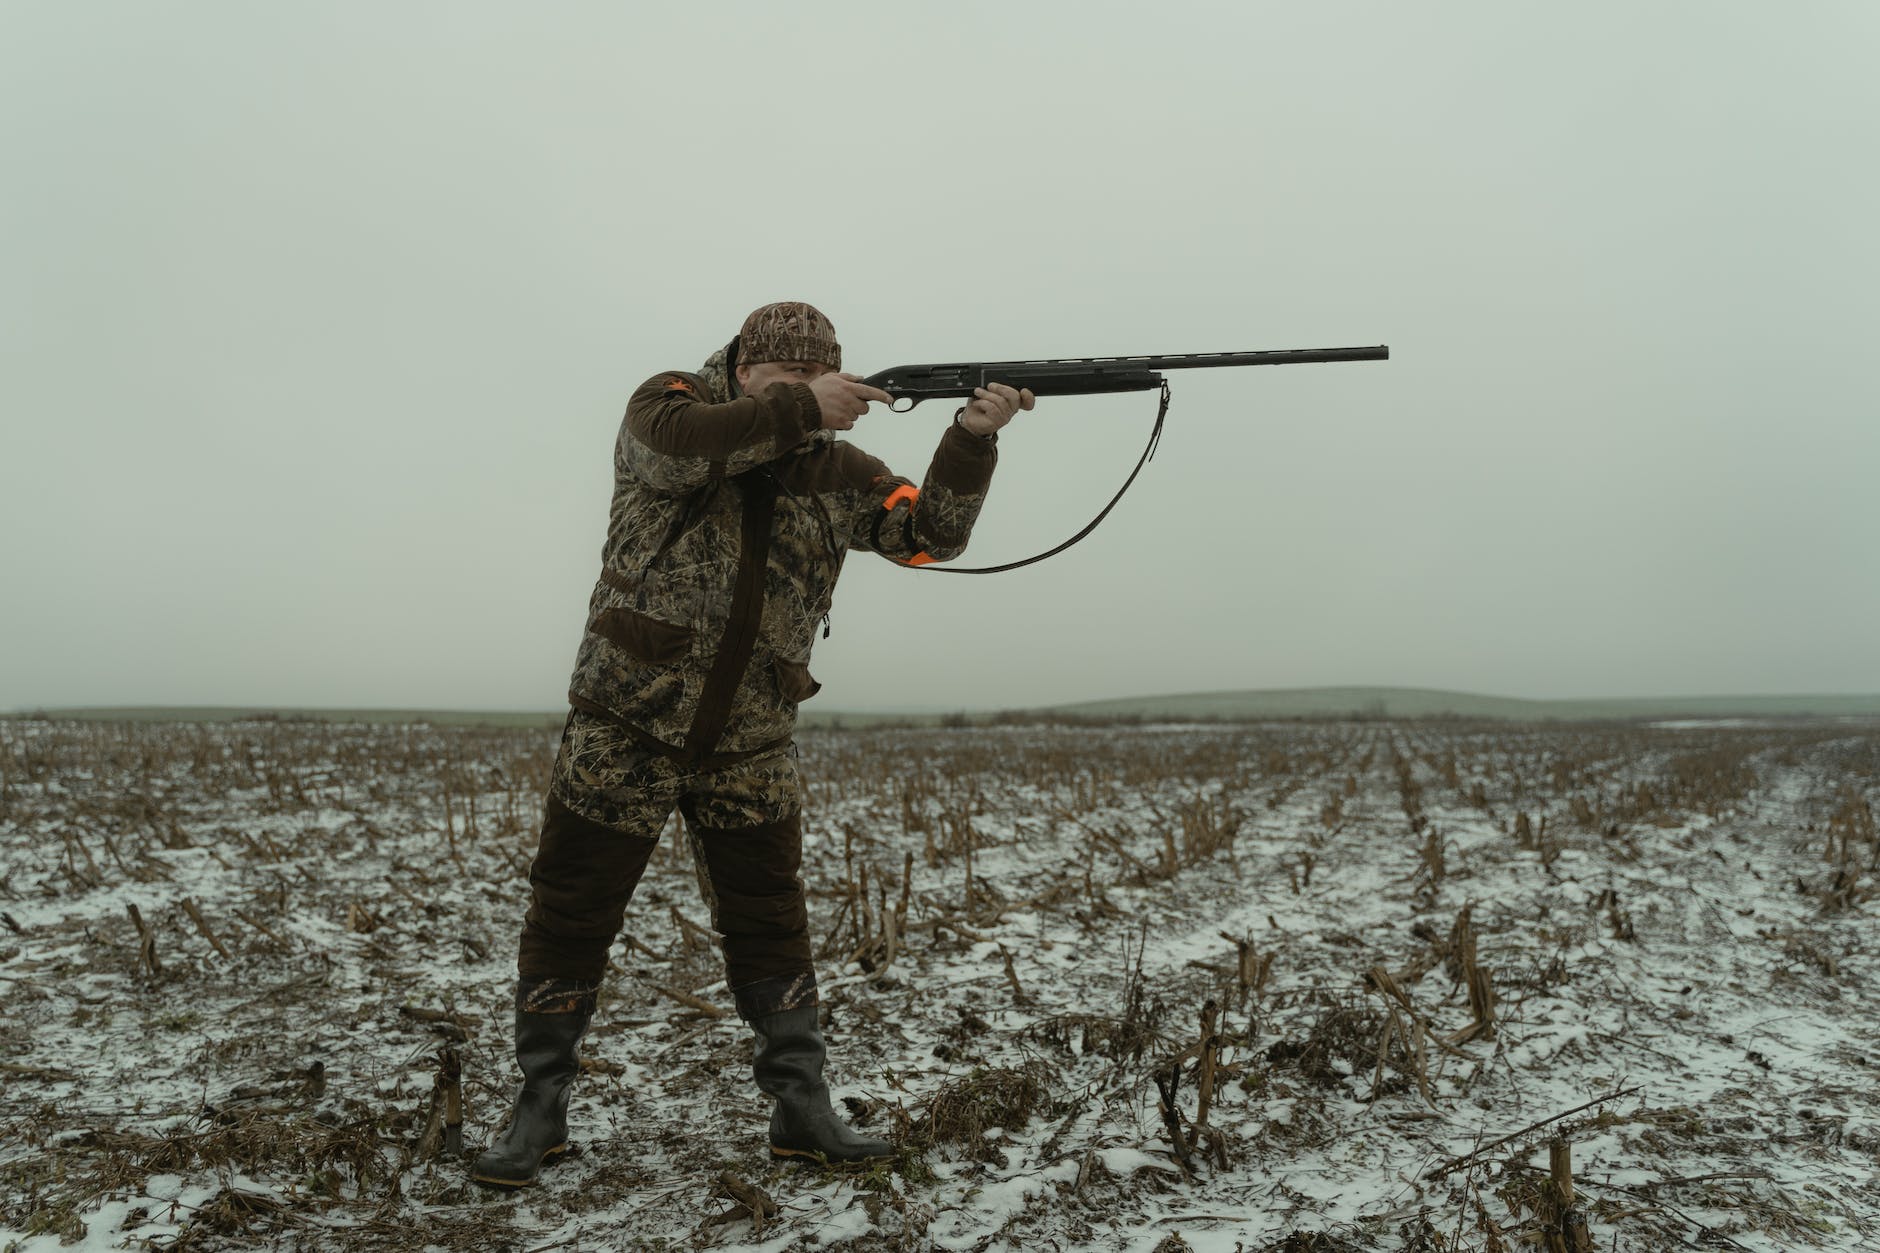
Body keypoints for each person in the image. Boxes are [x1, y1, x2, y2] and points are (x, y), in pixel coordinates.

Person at [473, 302, 1034, 1187]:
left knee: (771, 922)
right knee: (572, 913)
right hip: (627, 724)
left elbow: (932, 537)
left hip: (752, 739)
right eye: (783, 386)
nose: (801, 400)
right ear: (743, 372)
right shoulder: (666, 408)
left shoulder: (838, 467)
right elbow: (686, 451)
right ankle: (538, 1106)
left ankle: (801, 1109)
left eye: (815, 384)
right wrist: (808, 407)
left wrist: (971, 438)